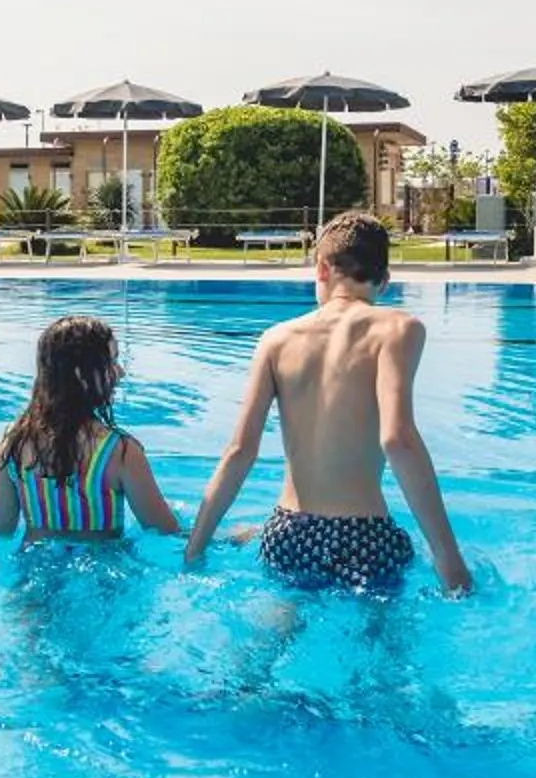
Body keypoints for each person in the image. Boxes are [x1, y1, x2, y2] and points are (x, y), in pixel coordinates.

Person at [183, 210, 471, 594]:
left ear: (321, 268)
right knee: (382, 647)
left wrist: (194, 550)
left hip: (289, 534)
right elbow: (397, 440)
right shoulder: (398, 329)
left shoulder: (276, 339)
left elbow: (239, 451)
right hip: (364, 539)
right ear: (384, 280)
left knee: (272, 639)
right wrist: (448, 558)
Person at [0, 312, 182, 544]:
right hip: (103, 571)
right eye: (112, 362)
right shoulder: (121, 452)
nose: (121, 372)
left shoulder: (14, 443)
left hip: (32, 566)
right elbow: (166, 533)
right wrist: (225, 538)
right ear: (81, 374)